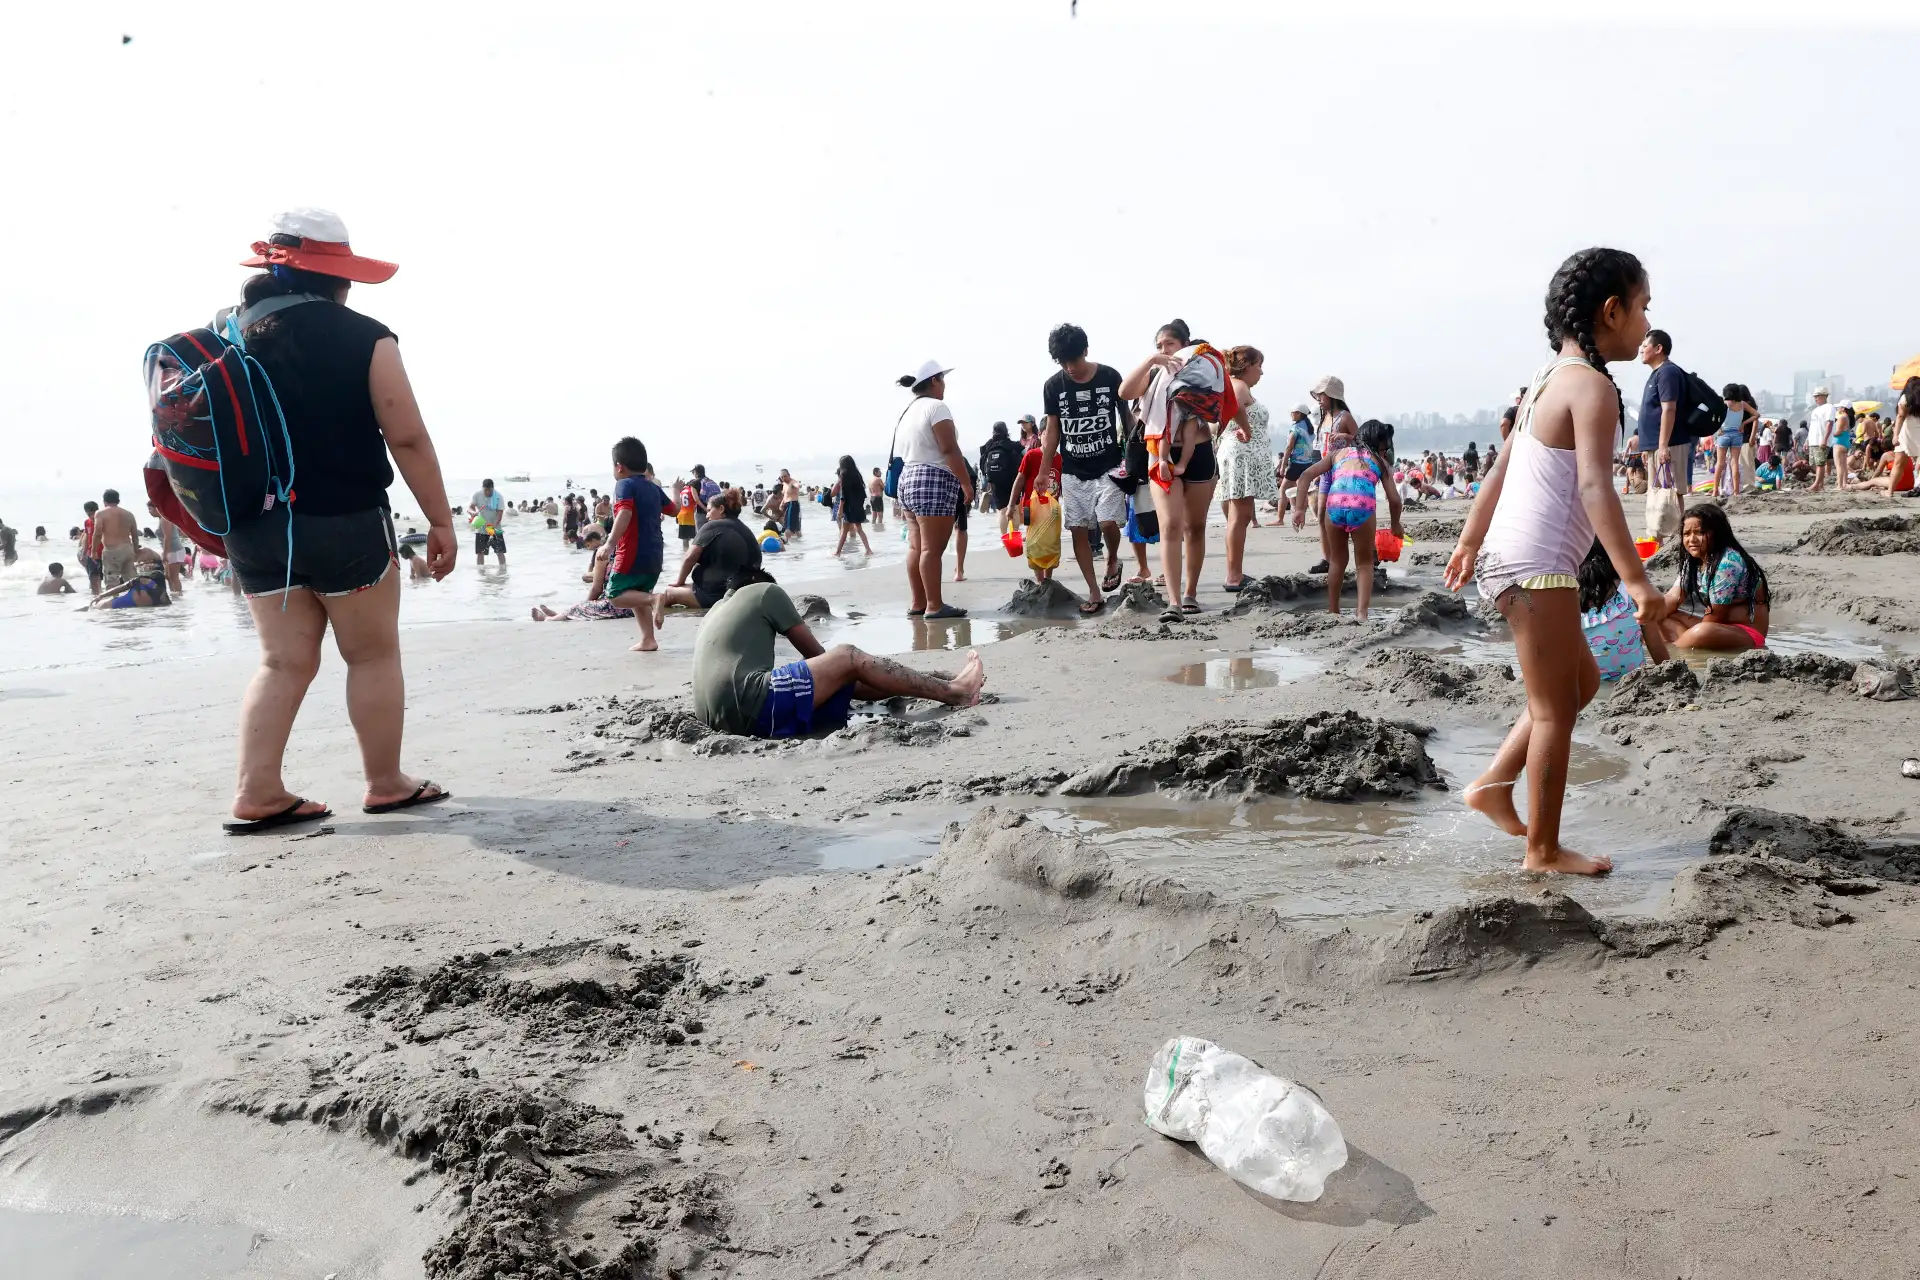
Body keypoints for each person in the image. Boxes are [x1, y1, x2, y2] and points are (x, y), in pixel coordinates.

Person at [215, 208, 454, 833]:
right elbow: (406, 438)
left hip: (256, 529)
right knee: (372, 654)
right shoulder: (365, 336)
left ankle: (257, 791)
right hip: (346, 521)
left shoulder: (228, 337)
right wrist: (440, 521)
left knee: (281, 663)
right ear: (336, 276)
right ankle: (385, 783)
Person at [1445, 246, 1666, 877]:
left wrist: (1467, 543)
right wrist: (1636, 582)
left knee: (1581, 682)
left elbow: (1500, 469)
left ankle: (1493, 785)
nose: (1648, 323)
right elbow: (1597, 488)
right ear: (1612, 310)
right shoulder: (1591, 388)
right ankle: (1541, 851)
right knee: (1553, 712)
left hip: (1512, 561)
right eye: (1644, 308)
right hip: (1537, 569)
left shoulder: (1546, 379)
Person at [693, 568, 985, 738]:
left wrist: (927, 678)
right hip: (750, 704)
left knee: (832, 671)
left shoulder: (715, 611)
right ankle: (954, 692)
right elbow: (829, 661)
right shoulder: (766, 591)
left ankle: (940, 683)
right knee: (847, 656)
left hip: (715, 719)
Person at [1119, 319, 1223, 620]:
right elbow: (1125, 392)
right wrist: (1152, 360)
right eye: (1159, 345)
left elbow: (1223, 403)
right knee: (1171, 526)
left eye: (1170, 344)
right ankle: (1174, 602)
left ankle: (1191, 593)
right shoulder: (1153, 374)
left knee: (1195, 526)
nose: (1164, 350)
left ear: (1185, 346)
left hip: (1199, 452)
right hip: (1160, 454)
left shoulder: (1204, 370)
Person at [1033, 325, 1130, 614]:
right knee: (1078, 529)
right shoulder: (1053, 386)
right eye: (1063, 362)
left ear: (1085, 351)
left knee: (1107, 522)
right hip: (1073, 469)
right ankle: (1093, 590)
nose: (1069, 368)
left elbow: (1126, 419)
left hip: (1109, 465)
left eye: (1073, 360)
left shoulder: (1110, 377)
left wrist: (1136, 457)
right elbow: (1052, 431)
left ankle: (1112, 556)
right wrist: (1043, 470)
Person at [1290, 419, 1403, 621]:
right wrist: (1395, 525)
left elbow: (1306, 475)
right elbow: (1394, 500)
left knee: (1337, 561)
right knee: (1364, 563)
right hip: (1362, 508)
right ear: (1378, 444)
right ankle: (1361, 614)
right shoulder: (1380, 461)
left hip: (1333, 508)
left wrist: (1299, 509)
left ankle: (1333, 610)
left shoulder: (1336, 454)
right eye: (1385, 446)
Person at [892, 360, 974, 619]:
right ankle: (935, 605)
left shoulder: (907, 412)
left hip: (907, 479)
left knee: (916, 547)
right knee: (931, 550)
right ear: (935, 380)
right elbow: (949, 449)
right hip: (933, 479)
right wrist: (966, 482)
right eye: (943, 380)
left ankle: (918, 602)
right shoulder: (937, 407)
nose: (945, 386)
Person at [1661, 505, 1769, 651]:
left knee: (1701, 633)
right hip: (1717, 625)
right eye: (1686, 534)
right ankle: (1682, 645)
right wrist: (1645, 615)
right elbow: (1673, 597)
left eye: (1700, 532)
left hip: (1746, 633)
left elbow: (1715, 617)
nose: (1692, 539)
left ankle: (1675, 651)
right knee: (1660, 618)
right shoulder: (1693, 560)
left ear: (1716, 533)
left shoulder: (1728, 563)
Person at [1217, 345, 1280, 592]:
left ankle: (1235, 572)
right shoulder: (1238, 385)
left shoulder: (1235, 385)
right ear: (1247, 366)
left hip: (1239, 455)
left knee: (1238, 516)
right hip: (1241, 456)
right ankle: (1233, 576)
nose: (1261, 372)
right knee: (1239, 516)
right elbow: (1234, 408)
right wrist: (1248, 429)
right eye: (1259, 366)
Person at [603, 437, 674, 652]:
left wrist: (608, 544)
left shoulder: (623, 484)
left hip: (631, 552)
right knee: (638, 593)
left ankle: (654, 599)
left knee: (615, 594)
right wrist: (678, 491)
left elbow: (625, 513)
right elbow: (675, 511)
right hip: (655, 553)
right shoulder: (653, 488)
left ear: (619, 467)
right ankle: (648, 640)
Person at [655, 489, 763, 624]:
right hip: (745, 593)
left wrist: (679, 581)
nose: (707, 516)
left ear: (721, 509)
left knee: (669, 592)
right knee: (687, 588)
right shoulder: (746, 529)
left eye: (709, 510)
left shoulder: (712, 526)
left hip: (717, 596)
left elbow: (690, 557)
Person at [1577, 539, 1670, 680]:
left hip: (1587, 687)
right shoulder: (1633, 593)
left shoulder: (1566, 599)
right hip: (1633, 682)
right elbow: (1657, 648)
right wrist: (1671, 675)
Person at [1302, 376, 1359, 575]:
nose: (1318, 398)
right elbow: (1320, 449)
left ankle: (1367, 552)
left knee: (1348, 518)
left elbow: (1362, 443)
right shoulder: (1323, 417)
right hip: (1326, 473)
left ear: (1332, 395)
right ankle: (1327, 558)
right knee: (1320, 516)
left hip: (1344, 473)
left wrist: (1346, 436)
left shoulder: (1345, 418)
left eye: (1321, 394)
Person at [1636, 329, 1696, 493]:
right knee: (1659, 495)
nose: (1641, 349)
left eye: (1645, 345)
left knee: (1671, 495)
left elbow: (1669, 409)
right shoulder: (1657, 373)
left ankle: (1678, 520)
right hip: (1656, 445)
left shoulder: (1667, 372)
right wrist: (1647, 447)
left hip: (1671, 444)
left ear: (1658, 348)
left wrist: (1663, 446)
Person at [978, 422, 1024, 536]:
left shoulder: (988, 446)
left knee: (1002, 511)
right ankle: (1015, 535)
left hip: (996, 483)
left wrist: (986, 478)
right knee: (1014, 509)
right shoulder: (1012, 445)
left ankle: (1004, 538)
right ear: (1006, 431)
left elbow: (982, 462)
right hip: (1012, 481)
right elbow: (1025, 455)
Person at [91, 489, 140, 592]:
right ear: (118, 500)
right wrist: (135, 550)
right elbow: (135, 536)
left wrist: (94, 551)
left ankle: (113, 605)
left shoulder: (100, 513)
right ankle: (137, 602)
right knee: (132, 580)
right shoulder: (128, 514)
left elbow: (98, 533)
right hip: (128, 549)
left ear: (105, 501)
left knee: (111, 582)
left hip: (112, 550)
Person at [832, 455, 875, 556]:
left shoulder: (843, 475)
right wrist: (859, 505)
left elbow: (843, 495)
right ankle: (868, 550)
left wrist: (840, 509)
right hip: (857, 507)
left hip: (848, 508)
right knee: (859, 529)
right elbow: (863, 494)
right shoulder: (857, 475)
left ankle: (837, 552)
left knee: (844, 531)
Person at [1806, 387, 1839, 492]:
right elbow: (1812, 426)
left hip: (1821, 439)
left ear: (1824, 396)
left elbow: (1829, 423)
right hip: (1813, 439)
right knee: (1814, 463)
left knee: (1820, 463)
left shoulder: (1829, 407)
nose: (1815, 398)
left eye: (1817, 396)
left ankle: (1816, 485)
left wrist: (1825, 439)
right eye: (1814, 396)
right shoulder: (1815, 410)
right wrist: (1807, 440)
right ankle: (1820, 484)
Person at [469, 479, 507, 566]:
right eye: (485, 490)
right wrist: (473, 513)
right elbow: (470, 508)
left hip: (494, 527)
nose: (487, 492)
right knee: (480, 552)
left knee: (500, 552)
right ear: (483, 488)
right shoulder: (477, 495)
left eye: (489, 490)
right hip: (481, 526)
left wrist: (492, 527)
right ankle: (481, 573)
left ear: (493, 488)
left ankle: (503, 571)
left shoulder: (498, 497)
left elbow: (500, 514)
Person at [867, 466, 887, 532]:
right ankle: (880, 528)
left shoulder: (870, 480)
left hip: (872, 498)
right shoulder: (878, 479)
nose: (881, 473)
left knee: (874, 514)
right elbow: (885, 488)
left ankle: (874, 528)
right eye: (880, 472)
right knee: (880, 515)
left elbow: (870, 490)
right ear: (876, 472)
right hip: (878, 498)